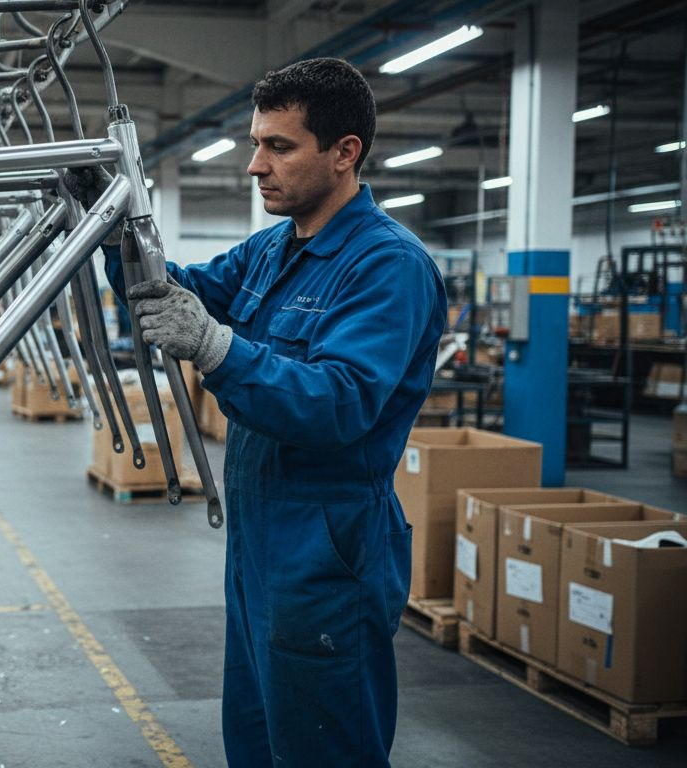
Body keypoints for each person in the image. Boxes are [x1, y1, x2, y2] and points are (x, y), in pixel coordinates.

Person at [77, 58, 446, 766]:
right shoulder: (275, 248)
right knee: (254, 740)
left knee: (321, 749)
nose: (255, 165)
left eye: (279, 146)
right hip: (259, 547)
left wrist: (215, 347)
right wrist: (111, 226)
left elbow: (339, 403)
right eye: (255, 143)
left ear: (345, 153)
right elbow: (177, 290)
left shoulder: (387, 266)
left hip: (327, 551)